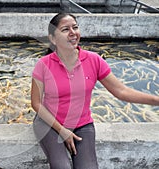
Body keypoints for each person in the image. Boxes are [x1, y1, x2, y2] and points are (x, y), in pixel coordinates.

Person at [31, 13, 159, 169]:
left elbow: (121, 91)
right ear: (52, 39)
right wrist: (62, 131)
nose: (72, 32)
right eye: (65, 29)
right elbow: (36, 103)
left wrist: (156, 100)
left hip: (81, 124)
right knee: (61, 166)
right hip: (48, 122)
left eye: (75, 27)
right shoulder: (43, 65)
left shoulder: (94, 60)